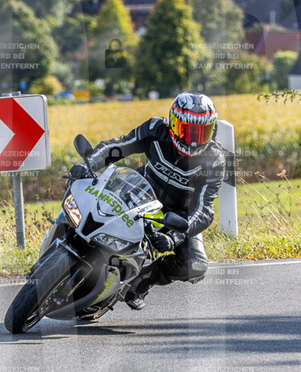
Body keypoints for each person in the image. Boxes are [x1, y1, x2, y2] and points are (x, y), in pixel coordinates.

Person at [69, 92, 226, 310]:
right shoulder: (155, 129)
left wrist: (175, 236)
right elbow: (119, 146)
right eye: (186, 130)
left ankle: (142, 281)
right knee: (88, 208)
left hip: (177, 217)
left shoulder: (214, 160)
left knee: (195, 265)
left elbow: (204, 209)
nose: (192, 139)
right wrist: (90, 164)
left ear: (212, 129)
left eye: (201, 132)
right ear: (173, 123)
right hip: (139, 193)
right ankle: (65, 242)